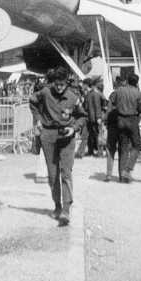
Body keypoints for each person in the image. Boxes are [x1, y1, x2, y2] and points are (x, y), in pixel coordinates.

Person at [28, 67, 86, 226]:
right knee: (53, 175)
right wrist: (38, 119)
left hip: (67, 138)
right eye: (57, 84)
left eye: (62, 84)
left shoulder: (73, 97)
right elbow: (32, 101)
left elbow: (82, 117)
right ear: (53, 82)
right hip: (48, 136)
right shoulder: (45, 93)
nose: (59, 88)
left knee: (66, 173)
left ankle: (66, 210)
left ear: (67, 83)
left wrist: (73, 128)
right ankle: (57, 206)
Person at [109, 73, 141, 183]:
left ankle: (122, 177)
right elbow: (140, 109)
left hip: (120, 120)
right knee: (137, 145)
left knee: (123, 148)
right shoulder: (138, 93)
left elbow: (112, 102)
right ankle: (128, 169)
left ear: (127, 80)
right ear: (136, 82)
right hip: (132, 120)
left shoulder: (119, 90)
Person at [84, 78, 107, 157]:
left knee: (94, 134)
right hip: (94, 117)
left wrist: (97, 117)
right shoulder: (95, 93)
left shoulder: (91, 94)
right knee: (95, 134)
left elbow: (91, 106)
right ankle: (96, 151)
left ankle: (94, 151)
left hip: (92, 117)